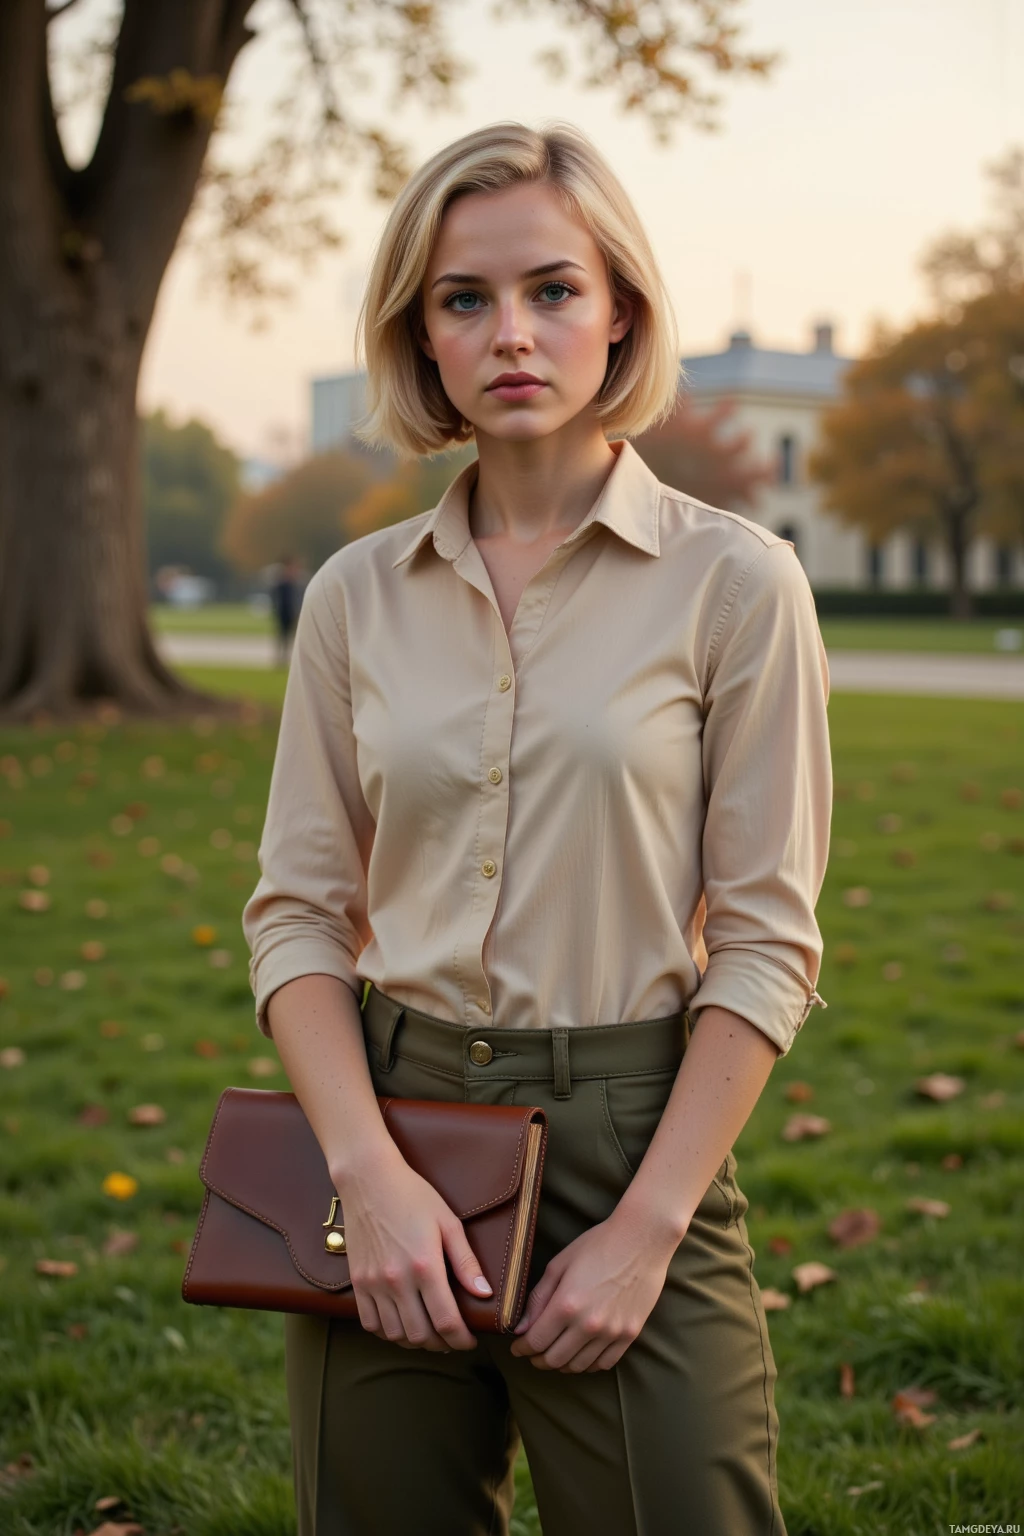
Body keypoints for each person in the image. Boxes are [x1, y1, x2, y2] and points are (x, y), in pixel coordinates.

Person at [241, 120, 832, 1536]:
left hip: (633, 1138)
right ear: (423, 336)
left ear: (620, 310)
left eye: (554, 289)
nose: (513, 331)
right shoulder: (353, 596)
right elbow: (297, 919)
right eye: (465, 298)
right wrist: (364, 1177)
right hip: (388, 1125)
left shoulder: (738, 586)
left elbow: (764, 946)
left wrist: (645, 1231)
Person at [269, 554, 303, 667]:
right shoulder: (281, 583)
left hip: (291, 612)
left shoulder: (294, 583)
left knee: (292, 637)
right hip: (283, 613)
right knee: (282, 636)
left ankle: (288, 658)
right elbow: (276, 599)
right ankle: (280, 659)